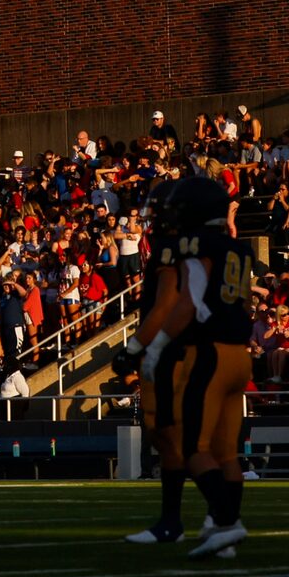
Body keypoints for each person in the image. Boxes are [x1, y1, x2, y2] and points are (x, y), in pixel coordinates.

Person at [147, 175, 255, 558]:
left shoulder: (193, 245)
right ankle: (221, 533)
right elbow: (245, 305)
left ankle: (227, 522)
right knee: (227, 453)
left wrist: (157, 345)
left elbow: (189, 301)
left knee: (194, 447)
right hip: (240, 354)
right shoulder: (239, 248)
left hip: (208, 353)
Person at [124, 164, 196, 540]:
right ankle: (217, 518)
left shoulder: (172, 248)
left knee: (174, 437)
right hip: (185, 344)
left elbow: (167, 301)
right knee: (167, 435)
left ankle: (181, 520)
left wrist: (136, 345)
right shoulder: (196, 244)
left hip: (174, 347)